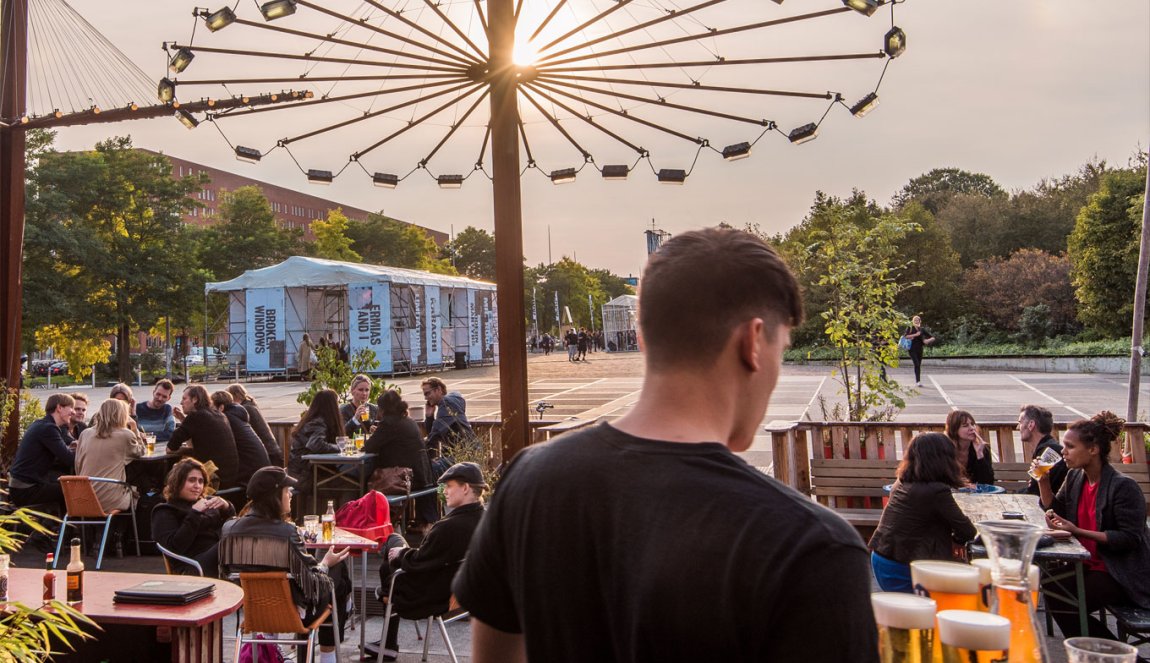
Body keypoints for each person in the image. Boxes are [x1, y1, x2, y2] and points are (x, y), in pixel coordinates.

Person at [454, 228, 878, 662]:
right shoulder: (812, 548)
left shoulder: (529, 479)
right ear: (753, 342)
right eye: (781, 350)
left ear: (642, 336)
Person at [1037, 411, 1150, 639]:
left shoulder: (1122, 487)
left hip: (1121, 572)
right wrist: (1044, 482)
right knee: (1050, 586)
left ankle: (1114, 655)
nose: (1063, 452)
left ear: (1093, 449)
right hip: (1090, 563)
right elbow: (1057, 509)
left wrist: (1076, 531)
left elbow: (1129, 538)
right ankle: (1100, 652)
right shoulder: (1075, 477)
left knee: (1067, 602)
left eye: (1070, 446)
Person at [220, 467, 351, 663]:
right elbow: (312, 583)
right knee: (337, 573)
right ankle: (328, 655)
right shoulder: (287, 532)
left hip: (253, 612)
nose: (291, 494)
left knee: (332, 581)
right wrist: (325, 563)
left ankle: (273, 642)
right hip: (295, 615)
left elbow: (226, 574)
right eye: (286, 490)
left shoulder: (229, 529)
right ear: (274, 495)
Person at [372, 462, 486, 661]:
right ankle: (388, 641)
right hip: (460, 593)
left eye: (449, 486)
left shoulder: (448, 528)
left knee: (389, 553)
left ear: (466, 488)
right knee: (392, 554)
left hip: (425, 595)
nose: (445, 491)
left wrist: (401, 554)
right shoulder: (487, 520)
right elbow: (432, 557)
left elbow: (419, 562)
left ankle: (388, 641)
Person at [868, 433, 977, 592]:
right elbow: (967, 530)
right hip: (901, 567)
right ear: (943, 460)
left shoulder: (905, 481)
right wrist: (956, 541)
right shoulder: (935, 491)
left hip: (882, 558)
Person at [151, 458, 235, 577]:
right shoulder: (165, 510)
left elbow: (231, 523)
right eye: (192, 480)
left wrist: (226, 507)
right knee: (234, 541)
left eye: (201, 481)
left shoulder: (208, 502)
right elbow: (174, 548)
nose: (197, 486)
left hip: (220, 559)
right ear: (178, 482)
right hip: (192, 565)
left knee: (244, 536)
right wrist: (194, 513)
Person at [364, 390, 436, 525]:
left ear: (383, 408)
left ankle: (373, 523)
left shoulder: (389, 423)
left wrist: (377, 432)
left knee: (365, 480)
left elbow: (369, 447)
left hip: (404, 479)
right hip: (422, 476)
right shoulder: (407, 420)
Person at [75, 399, 146, 513]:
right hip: (109, 501)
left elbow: (78, 465)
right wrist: (134, 428)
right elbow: (141, 451)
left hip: (83, 499)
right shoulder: (125, 435)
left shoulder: (85, 434)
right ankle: (124, 529)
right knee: (139, 491)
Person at [8, 393, 76, 510]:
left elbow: (62, 452)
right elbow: (70, 459)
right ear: (59, 408)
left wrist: (69, 447)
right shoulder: (49, 428)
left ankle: (60, 525)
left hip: (18, 487)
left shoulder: (41, 424)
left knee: (65, 484)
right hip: (26, 490)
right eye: (71, 407)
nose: (73, 412)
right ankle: (70, 527)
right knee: (74, 489)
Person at [166, 385, 239, 490]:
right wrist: (183, 419)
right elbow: (195, 444)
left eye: (184, 399)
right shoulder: (219, 415)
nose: (181, 403)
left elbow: (170, 448)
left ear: (195, 399)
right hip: (230, 480)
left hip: (214, 481)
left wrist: (182, 451)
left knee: (174, 476)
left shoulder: (195, 416)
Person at [287, 388, 343, 496]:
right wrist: (341, 447)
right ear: (331, 406)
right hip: (305, 478)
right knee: (353, 485)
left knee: (350, 481)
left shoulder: (312, 420)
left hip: (300, 474)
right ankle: (344, 513)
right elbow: (316, 444)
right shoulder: (318, 422)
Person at [211, 390, 272, 480]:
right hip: (261, 467)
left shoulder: (226, 420)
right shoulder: (236, 415)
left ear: (221, 408)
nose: (210, 411)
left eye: (212, 408)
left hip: (252, 473)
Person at [227, 383, 282, 465]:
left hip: (268, 452)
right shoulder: (250, 405)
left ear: (235, 395)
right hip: (271, 449)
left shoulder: (245, 409)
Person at [1019, 404, 1067, 496]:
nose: (1018, 427)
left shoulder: (1049, 453)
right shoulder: (1048, 448)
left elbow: (1034, 492)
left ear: (1031, 425)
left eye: (1020, 422)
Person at [945, 409, 995, 486]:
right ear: (954, 430)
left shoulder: (983, 449)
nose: (972, 428)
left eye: (972, 424)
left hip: (977, 494)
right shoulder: (944, 449)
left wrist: (980, 455)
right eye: (965, 426)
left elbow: (988, 482)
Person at [422, 377, 471, 451]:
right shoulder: (452, 401)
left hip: (463, 454)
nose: (425, 398)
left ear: (438, 390)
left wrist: (417, 447)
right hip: (461, 451)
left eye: (427, 393)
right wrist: (429, 416)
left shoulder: (447, 404)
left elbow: (435, 435)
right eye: (424, 395)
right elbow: (433, 435)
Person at [136, 379, 177, 444]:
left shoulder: (167, 409)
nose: (160, 398)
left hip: (159, 449)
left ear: (169, 398)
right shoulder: (138, 408)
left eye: (164, 396)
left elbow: (171, 433)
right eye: (158, 394)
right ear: (153, 392)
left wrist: (147, 436)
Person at [903, 315, 934, 387]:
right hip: (911, 349)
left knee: (918, 365)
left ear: (920, 321)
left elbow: (932, 337)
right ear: (913, 321)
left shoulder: (922, 329)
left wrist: (927, 340)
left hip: (920, 349)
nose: (916, 321)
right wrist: (915, 335)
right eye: (915, 320)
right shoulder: (910, 328)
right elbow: (905, 336)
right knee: (916, 364)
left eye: (918, 320)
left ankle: (918, 381)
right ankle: (918, 381)